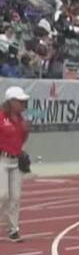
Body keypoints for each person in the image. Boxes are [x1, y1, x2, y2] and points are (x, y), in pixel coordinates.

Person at [0, 86, 30, 242]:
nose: (23, 104)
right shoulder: (1, 117)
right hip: (2, 160)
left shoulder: (21, 120)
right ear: (11, 102)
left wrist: (26, 131)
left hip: (15, 160)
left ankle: (13, 229)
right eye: (20, 101)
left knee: (15, 197)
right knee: (2, 195)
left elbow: (21, 141)